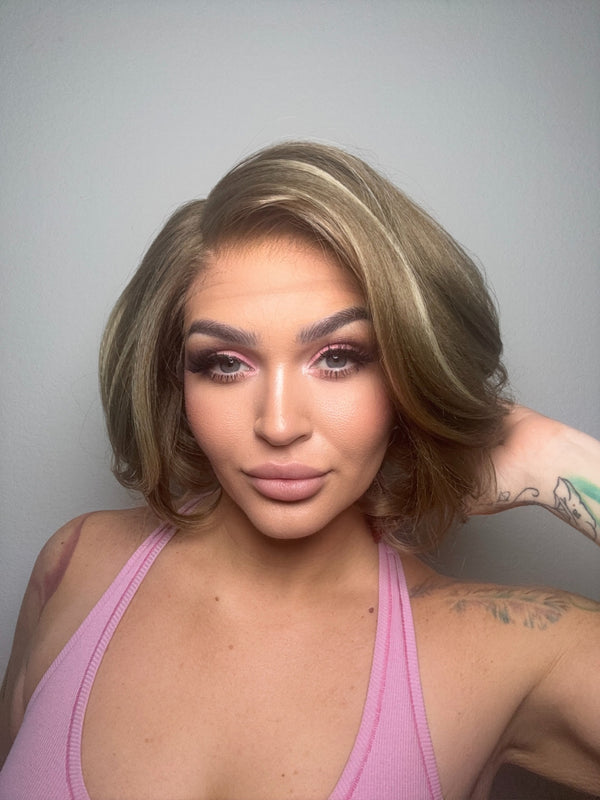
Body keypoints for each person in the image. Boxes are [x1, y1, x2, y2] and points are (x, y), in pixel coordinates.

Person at [0, 141, 599, 800]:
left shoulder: (504, 648)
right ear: (176, 377)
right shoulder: (75, 564)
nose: (279, 424)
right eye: (225, 363)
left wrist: (557, 460)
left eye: (338, 357)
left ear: (408, 371)